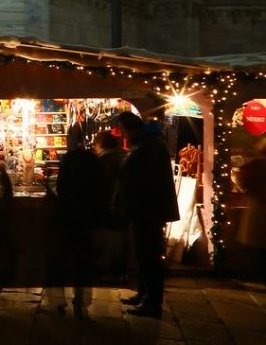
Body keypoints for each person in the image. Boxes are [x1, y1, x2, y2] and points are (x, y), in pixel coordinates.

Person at [116, 111, 179, 318]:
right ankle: (144, 294)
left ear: (133, 129)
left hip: (149, 210)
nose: (123, 136)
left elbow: (143, 178)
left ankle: (152, 302)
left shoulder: (150, 147)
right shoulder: (147, 145)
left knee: (150, 255)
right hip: (144, 209)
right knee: (144, 255)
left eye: (124, 131)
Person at [51, 142, 106, 316]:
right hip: (86, 222)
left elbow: (60, 190)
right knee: (83, 261)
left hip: (66, 219)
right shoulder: (95, 176)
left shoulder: (67, 174)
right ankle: (80, 300)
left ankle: (59, 301)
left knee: (60, 260)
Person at [94, 130, 129, 281]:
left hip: (113, 203)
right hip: (126, 203)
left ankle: (114, 271)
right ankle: (120, 271)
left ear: (99, 144)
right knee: (122, 238)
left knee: (113, 239)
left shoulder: (104, 160)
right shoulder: (126, 155)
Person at [236, 139, 266, 286]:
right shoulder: (256, 165)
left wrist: (249, 193)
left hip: (258, 206)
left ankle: (256, 273)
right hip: (259, 205)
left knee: (257, 243)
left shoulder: (255, 165)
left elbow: (242, 179)